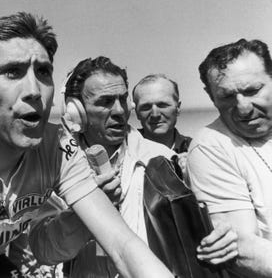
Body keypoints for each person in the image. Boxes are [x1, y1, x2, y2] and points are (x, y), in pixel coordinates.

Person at [0, 12, 174, 278]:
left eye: (42, 72)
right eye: (12, 72)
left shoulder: (57, 145)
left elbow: (123, 245)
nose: (34, 91)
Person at [28, 56, 237, 277]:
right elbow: (45, 251)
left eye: (123, 99)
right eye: (105, 101)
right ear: (76, 109)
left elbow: (208, 225)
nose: (119, 110)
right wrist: (89, 210)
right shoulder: (55, 166)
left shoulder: (164, 161)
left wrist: (224, 233)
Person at [187, 38, 272, 277]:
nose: (244, 108)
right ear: (211, 96)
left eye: (253, 90)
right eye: (226, 96)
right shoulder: (211, 146)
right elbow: (241, 248)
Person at [132, 74, 192, 176]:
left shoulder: (195, 150)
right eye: (146, 107)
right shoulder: (126, 149)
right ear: (137, 112)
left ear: (178, 108)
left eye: (162, 105)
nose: (155, 114)